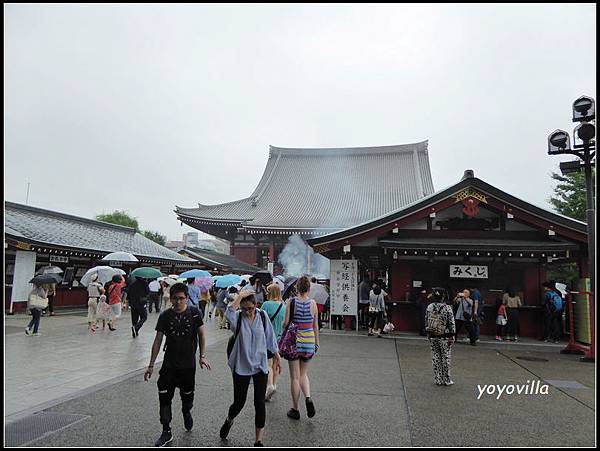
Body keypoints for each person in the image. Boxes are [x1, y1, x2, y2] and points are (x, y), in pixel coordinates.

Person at [144, 283, 211, 447]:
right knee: (164, 398)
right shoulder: (165, 316)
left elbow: (202, 334)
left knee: (187, 397)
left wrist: (202, 356)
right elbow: (158, 340)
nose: (178, 302)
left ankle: (186, 411)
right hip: (169, 365)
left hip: (188, 366)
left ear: (187, 298)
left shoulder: (195, 313)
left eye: (181, 298)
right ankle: (166, 430)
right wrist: (151, 365)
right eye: (175, 298)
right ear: (171, 299)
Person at [220, 290, 281, 447]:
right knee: (239, 402)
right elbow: (229, 311)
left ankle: (258, 440)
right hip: (242, 364)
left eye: (251, 308)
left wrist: (276, 355)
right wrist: (240, 296)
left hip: (260, 364)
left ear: (256, 305)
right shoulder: (238, 318)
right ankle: (229, 420)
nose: (248, 311)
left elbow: (270, 336)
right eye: (244, 308)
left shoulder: (262, 316)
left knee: (259, 402)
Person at [282, 275, 319, 421]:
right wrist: (317, 342)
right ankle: (308, 398)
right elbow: (315, 325)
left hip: (294, 341)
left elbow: (285, 323)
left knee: (295, 377)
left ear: (297, 288)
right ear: (309, 288)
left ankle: (295, 409)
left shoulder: (292, 302)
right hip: (309, 340)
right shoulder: (313, 303)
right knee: (304, 374)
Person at [261, 283, 287, 402]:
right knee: (277, 363)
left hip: (268, 339)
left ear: (270, 293)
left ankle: (270, 385)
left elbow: (258, 319)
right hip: (281, 339)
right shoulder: (284, 306)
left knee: (268, 364)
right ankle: (275, 384)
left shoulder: (266, 305)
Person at [425, 287, 456, 385]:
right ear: (443, 296)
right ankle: (446, 379)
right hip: (445, 336)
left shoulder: (429, 307)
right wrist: (452, 335)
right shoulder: (447, 308)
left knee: (435, 357)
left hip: (433, 335)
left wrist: (428, 333)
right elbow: (451, 322)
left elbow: (426, 320)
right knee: (445, 357)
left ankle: (437, 379)